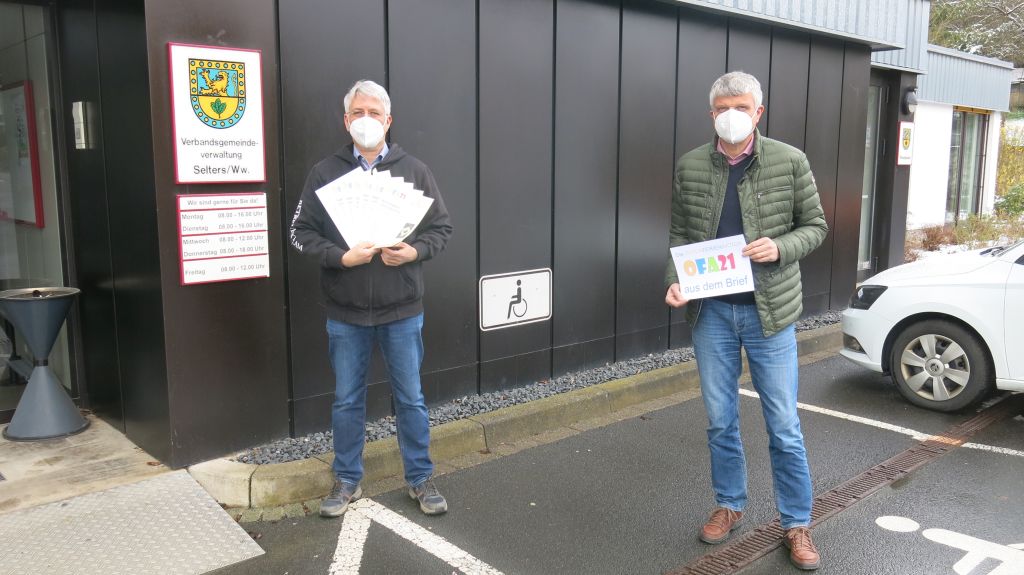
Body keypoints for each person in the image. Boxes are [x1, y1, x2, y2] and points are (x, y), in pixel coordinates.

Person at [664, 71, 827, 570]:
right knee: (720, 420)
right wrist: (675, 279)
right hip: (711, 311)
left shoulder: (789, 160)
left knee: (783, 424)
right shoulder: (692, 164)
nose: (731, 114)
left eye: (742, 105)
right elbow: (680, 233)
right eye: (722, 106)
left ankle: (796, 522)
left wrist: (780, 247)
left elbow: (815, 226)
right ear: (711, 112)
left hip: (769, 312)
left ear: (758, 112)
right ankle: (730, 504)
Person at [290, 80, 453, 518]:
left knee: (411, 398)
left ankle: (420, 478)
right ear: (346, 121)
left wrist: (414, 251)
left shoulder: (414, 170)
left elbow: (442, 229)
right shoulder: (324, 173)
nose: (366, 120)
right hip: (345, 313)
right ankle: (346, 481)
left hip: (402, 311)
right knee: (347, 399)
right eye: (358, 113)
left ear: (388, 120)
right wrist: (341, 257)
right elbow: (299, 233)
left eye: (374, 113)